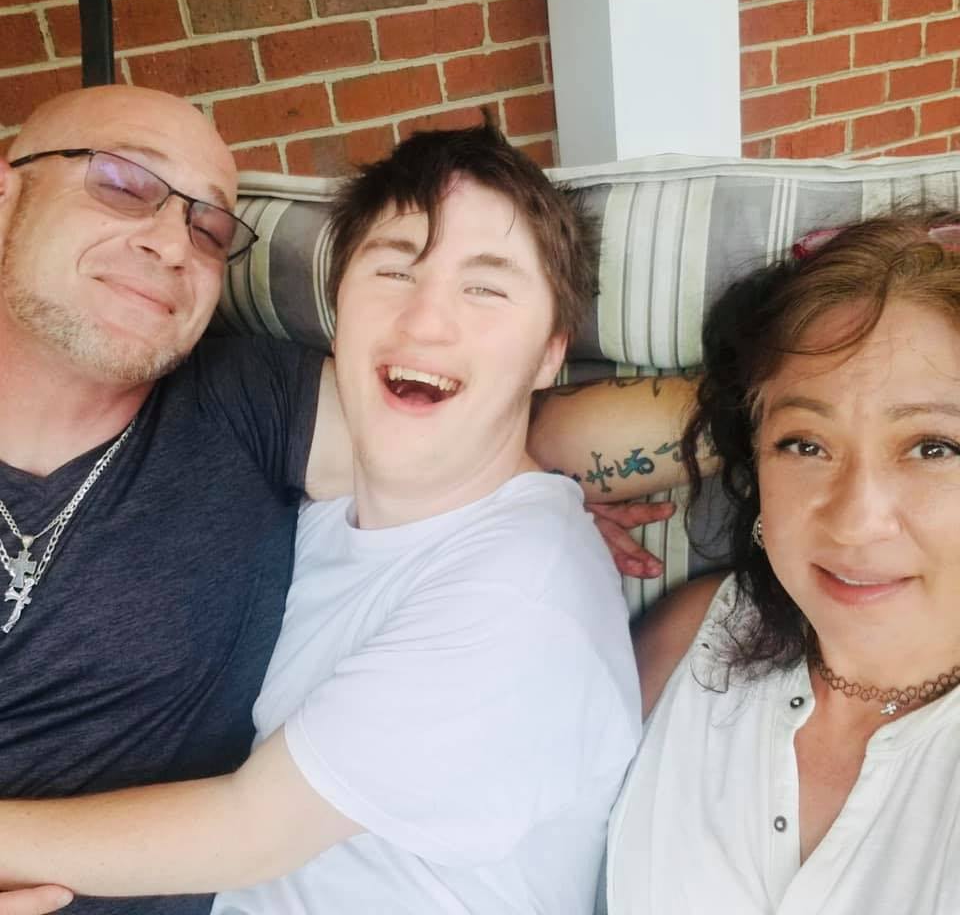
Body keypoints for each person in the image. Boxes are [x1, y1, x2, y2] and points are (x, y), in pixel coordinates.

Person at [0, 118, 643, 914]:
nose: (425, 321)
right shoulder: (314, 516)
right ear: (337, 310)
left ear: (551, 354)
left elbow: (248, 830)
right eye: (394, 270)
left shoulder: (522, 588)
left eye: (485, 287)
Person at [605, 212, 960, 915]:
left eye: (934, 447)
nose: (855, 521)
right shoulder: (696, 638)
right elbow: (522, 437)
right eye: (804, 444)